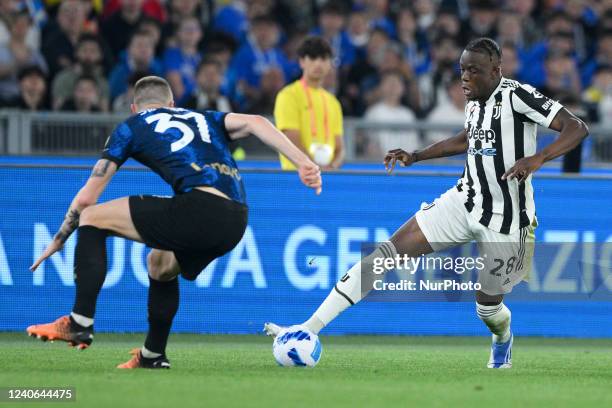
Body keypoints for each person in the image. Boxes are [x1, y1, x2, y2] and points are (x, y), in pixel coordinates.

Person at [265, 38, 589, 369]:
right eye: (462, 70)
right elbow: (466, 139)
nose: (465, 78)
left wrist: (538, 158)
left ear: (496, 70)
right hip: (463, 200)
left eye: (473, 71)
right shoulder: (475, 100)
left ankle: (502, 338)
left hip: (505, 219)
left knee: (487, 309)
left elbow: (576, 128)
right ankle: (309, 328)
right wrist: (416, 155)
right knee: (384, 255)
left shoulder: (518, 96)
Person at [26, 76, 322, 369]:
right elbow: (257, 121)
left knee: (91, 218)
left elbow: (86, 200)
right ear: (172, 104)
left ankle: (79, 322)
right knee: (160, 264)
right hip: (236, 218)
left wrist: (59, 239)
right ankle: (153, 354)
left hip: (200, 208)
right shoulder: (203, 117)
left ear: (133, 107)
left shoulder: (132, 125)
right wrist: (302, 161)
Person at [274, 36, 344, 170]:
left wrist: (332, 167)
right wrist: (315, 167)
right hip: (296, 176)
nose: (318, 63)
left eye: (323, 59)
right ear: (301, 62)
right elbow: (290, 141)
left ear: (330, 64)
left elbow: (340, 148)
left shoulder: (333, 102)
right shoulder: (288, 95)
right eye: (312, 58)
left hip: (327, 177)